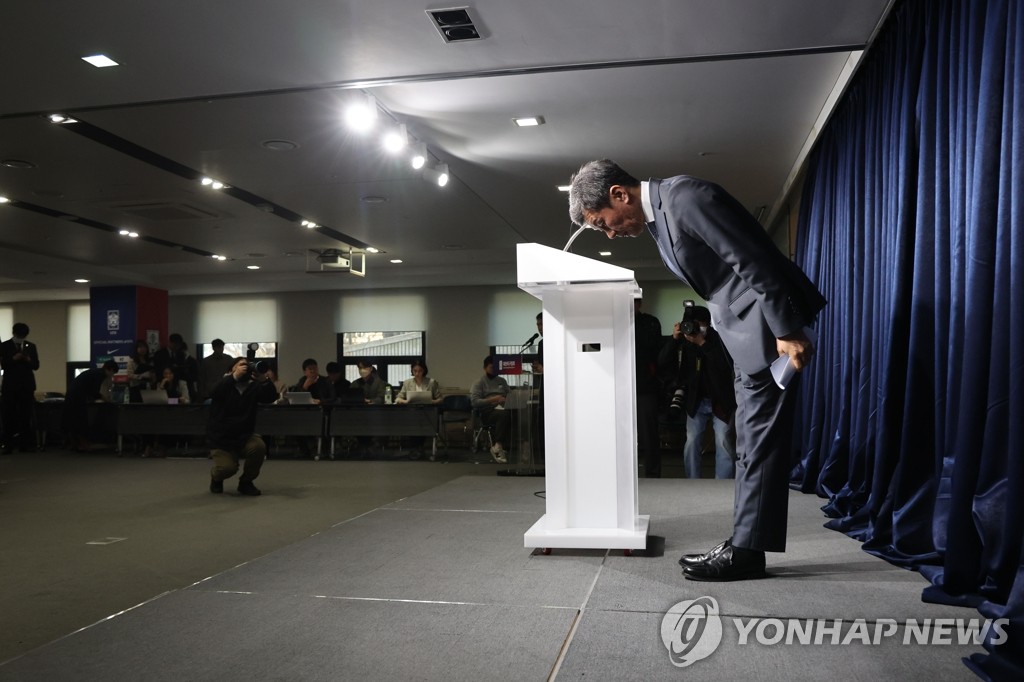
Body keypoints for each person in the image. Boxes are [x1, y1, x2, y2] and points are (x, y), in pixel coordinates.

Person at [568, 159, 826, 582]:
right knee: (750, 443)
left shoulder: (685, 197)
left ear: (619, 194)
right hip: (743, 336)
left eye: (604, 223)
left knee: (757, 444)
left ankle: (746, 551)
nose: (610, 233)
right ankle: (747, 543)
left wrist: (786, 328)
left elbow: (753, 259)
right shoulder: (661, 217)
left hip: (764, 331)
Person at [660, 305, 737, 479]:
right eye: (691, 324)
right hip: (695, 400)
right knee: (692, 442)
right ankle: (692, 480)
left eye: (699, 324)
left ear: (707, 324)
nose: (694, 329)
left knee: (724, 442)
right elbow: (662, 361)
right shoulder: (683, 341)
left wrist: (702, 343)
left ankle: (722, 483)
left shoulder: (719, 338)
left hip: (720, 400)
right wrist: (674, 339)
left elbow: (726, 366)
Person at [207, 356, 279, 496]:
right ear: (231, 369)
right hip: (221, 438)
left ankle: (246, 482)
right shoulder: (224, 383)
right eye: (241, 365)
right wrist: (233, 377)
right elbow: (213, 393)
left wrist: (263, 379)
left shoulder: (253, 386)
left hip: (244, 435)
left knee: (258, 446)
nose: (245, 368)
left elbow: (270, 397)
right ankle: (216, 478)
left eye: (247, 365)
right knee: (227, 469)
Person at [634, 298, 664, 478]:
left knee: (649, 433)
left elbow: (651, 348)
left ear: (639, 304)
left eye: (633, 302)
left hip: (646, 386)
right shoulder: (613, 322)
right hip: (619, 386)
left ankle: (653, 473)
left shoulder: (650, 322)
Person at [1, 322, 40, 454]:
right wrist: (14, 358)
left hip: (26, 385)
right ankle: (8, 445)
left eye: (23, 335)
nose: (21, 338)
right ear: (14, 333)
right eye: (19, 335)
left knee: (25, 415)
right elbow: (4, 365)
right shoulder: (4, 346)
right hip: (10, 386)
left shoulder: (31, 346)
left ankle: (25, 445)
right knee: (8, 416)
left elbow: (36, 366)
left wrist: (28, 359)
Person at [63, 360, 118, 452]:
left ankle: (74, 444)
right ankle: (84, 445)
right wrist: (105, 399)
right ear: (110, 369)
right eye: (113, 373)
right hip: (77, 397)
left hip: (72, 395)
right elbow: (94, 391)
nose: (112, 375)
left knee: (73, 421)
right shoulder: (100, 375)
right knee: (81, 421)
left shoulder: (95, 372)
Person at [395, 359, 442, 459]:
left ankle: (417, 448)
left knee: (422, 422)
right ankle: (417, 448)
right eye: (415, 371)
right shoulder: (407, 383)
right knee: (413, 422)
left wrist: (431, 401)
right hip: (412, 412)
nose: (417, 373)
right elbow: (398, 398)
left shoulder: (431, 382)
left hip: (427, 412)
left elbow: (440, 399)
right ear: (412, 371)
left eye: (419, 371)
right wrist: (406, 401)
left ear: (424, 370)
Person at [470, 355, 510, 464]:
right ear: (485, 368)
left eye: (495, 368)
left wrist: (505, 400)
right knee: (503, 415)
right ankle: (498, 445)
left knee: (514, 413)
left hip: (503, 407)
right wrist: (493, 399)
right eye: (491, 368)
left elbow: (509, 394)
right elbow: (475, 402)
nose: (493, 370)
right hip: (487, 411)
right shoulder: (479, 383)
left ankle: (522, 445)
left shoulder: (502, 381)